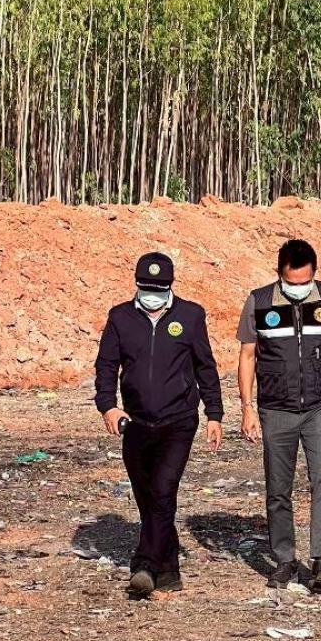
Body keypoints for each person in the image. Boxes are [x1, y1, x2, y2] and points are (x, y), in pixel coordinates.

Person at [95, 251, 223, 597]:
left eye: (159, 289)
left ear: (170, 286)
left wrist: (214, 413)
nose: (152, 296)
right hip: (135, 423)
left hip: (178, 421)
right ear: (137, 284)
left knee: (163, 490)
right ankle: (169, 570)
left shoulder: (191, 316)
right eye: (147, 288)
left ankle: (145, 565)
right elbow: (106, 365)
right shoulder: (120, 317)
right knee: (147, 496)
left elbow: (205, 366)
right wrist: (108, 406)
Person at [236, 238, 321, 591]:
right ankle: (284, 559)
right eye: (292, 283)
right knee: (278, 487)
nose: (299, 289)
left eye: (305, 282)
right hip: (276, 408)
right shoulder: (259, 302)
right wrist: (247, 408)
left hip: (320, 407)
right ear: (279, 274)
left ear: (315, 273)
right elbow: (248, 356)